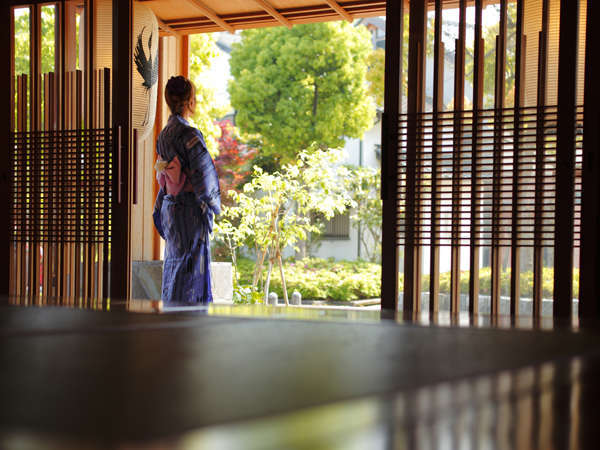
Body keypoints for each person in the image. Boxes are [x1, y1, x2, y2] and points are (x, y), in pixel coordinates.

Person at [152, 76, 220, 306]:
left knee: (174, 263)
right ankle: (189, 322)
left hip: (171, 207)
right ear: (190, 101)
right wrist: (212, 201)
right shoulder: (189, 134)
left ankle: (171, 315)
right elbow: (204, 174)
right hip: (190, 208)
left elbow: (166, 176)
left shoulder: (164, 134)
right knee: (191, 268)